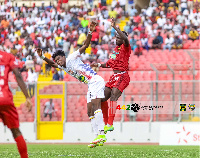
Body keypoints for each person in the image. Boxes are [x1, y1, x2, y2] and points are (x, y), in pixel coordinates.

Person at [37, 21, 106, 148]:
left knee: (96, 106)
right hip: (90, 85)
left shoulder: (72, 57)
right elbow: (52, 64)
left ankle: (102, 133)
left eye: (59, 59)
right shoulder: (63, 67)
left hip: (95, 81)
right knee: (89, 111)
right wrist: (42, 57)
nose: (58, 61)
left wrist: (90, 31)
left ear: (64, 57)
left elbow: (85, 45)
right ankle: (98, 136)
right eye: (56, 60)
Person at [91, 18, 131, 133]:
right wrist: (98, 64)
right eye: (116, 37)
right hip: (114, 77)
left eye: (119, 37)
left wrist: (114, 26)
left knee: (114, 96)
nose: (117, 39)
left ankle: (110, 124)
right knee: (102, 99)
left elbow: (125, 38)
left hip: (123, 76)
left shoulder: (126, 47)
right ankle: (106, 122)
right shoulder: (115, 50)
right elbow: (109, 64)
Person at [0, 51, 32, 158]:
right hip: (5, 98)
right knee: (16, 131)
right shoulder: (7, 56)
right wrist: (27, 97)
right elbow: (18, 75)